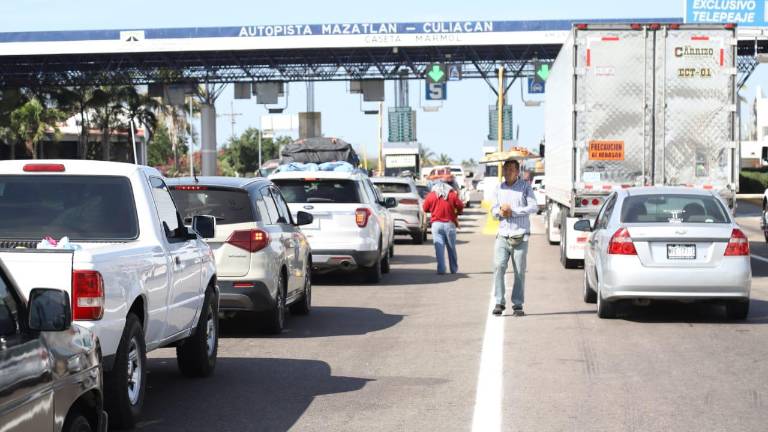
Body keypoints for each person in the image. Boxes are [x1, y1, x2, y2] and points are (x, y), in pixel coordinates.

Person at [491, 160, 538, 317]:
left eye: (511, 169)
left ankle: (517, 304)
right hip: (503, 235)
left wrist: (514, 211)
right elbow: (493, 209)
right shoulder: (499, 188)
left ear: (517, 172)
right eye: (505, 169)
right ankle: (499, 302)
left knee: (519, 271)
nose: (507, 172)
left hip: (520, 236)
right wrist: (499, 212)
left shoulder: (525, 187)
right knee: (499, 266)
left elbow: (533, 207)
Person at [422, 180, 464, 274]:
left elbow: (425, 208)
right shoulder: (452, 195)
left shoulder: (431, 195)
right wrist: (457, 212)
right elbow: (461, 205)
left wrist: (433, 209)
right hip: (450, 224)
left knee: (439, 248)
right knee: (451, 248)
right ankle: (453, 269)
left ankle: (441, 269)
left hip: (436, 225)